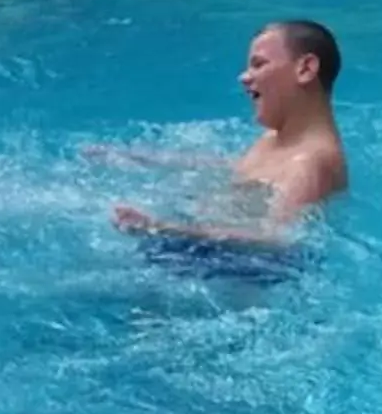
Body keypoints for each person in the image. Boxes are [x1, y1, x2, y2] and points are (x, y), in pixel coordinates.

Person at [112, 19, 348, 245]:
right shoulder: (276, 140)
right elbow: (241, 169)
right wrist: (143, 158)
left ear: (305, 69)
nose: (244, 77)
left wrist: (161, 228)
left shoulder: (310, 163)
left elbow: (279, 241)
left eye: (259, 64)